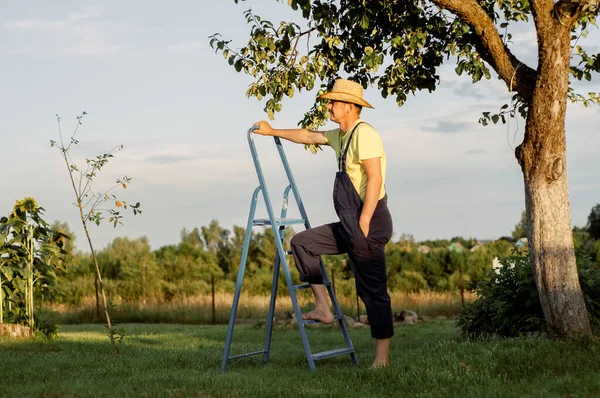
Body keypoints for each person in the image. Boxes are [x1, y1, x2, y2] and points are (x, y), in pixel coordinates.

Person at [253, 79, 394, 368]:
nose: (328, 106)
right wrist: (271, 131)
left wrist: (365, 221)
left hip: (369, 221)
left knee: (373, 290)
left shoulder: (364, 134)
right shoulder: (341, 136)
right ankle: (322, 307)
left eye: (333, 102)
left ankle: (382, 359)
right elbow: (309, 136)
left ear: (350, 106)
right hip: (350, 223)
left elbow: (375, 178)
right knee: (302, 243)